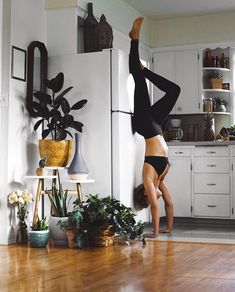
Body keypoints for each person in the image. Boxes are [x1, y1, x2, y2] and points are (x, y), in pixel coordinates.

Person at [129, 17, 181, 238]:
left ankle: (134, 41)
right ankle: (141, 68)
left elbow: (157, 207)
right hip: (155, 126)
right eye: (157, 195)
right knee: (175, 91)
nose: (159, 196)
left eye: (154, 196)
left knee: (139, 82)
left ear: (148, 194)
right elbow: (169, 203)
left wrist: (155, 233)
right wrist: (169, 227)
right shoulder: (160, 179)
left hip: (145, 125)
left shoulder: (149, 179)